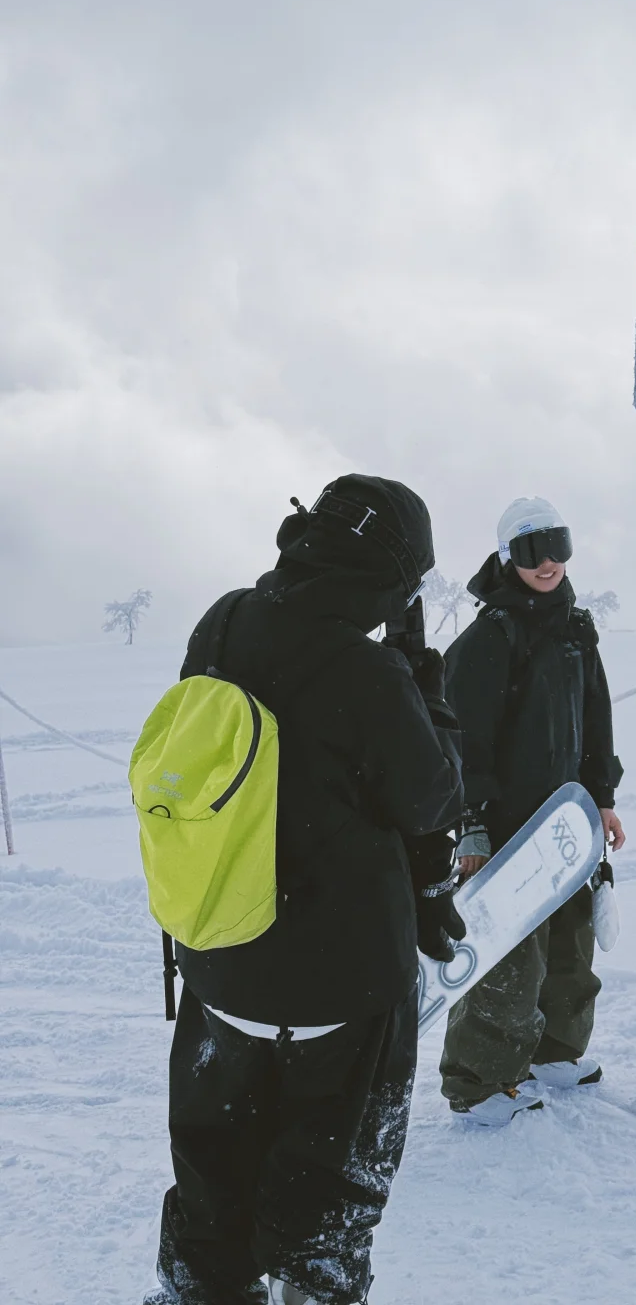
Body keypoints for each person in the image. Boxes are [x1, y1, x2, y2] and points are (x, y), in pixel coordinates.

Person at [147, 475, 465, 1305]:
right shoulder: (367, 670)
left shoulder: (222, 621)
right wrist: (420, 671)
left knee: (213, 1187)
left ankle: (197, 1290)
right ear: (392, 577)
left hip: (219, 966)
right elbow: (433, 795)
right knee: (326, 1205)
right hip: (342, 990)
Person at [438, 497, 625, 1126]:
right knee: (510, 956)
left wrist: (602, 797)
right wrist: (473, 825)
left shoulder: (576, 628)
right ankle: (480, 1083)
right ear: (505, 558)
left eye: (558, 547)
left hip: (567, 819)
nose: (547, 563)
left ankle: (553, 1052)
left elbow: (595, 718)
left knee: (572, 945)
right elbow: (460, 743)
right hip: (510, 829)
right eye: (530, 551)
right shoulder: (488, 638)